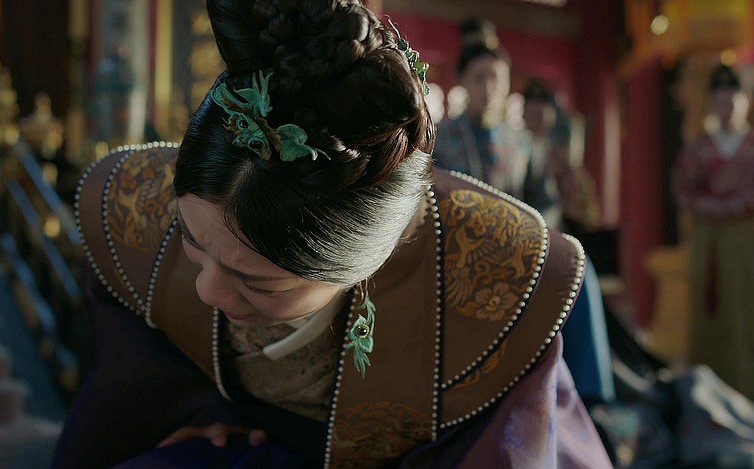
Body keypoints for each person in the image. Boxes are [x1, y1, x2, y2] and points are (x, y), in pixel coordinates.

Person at [52, 1, 612, 467]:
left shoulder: (491, 307)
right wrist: (198, 414)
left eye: (258, 282)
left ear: (364, 265)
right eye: (193, 245)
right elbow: (136, 390)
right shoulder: (139, 218)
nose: (207, 292)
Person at [671, 62, 754, 401]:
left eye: (733, 100)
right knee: (708, 309)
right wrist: (709, 207)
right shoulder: (698, 147)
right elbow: (681, 188)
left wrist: (732, 206)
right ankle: (708, 393)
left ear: (745, 102)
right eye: (720, 100)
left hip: (745, 238)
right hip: (709, 240)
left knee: (746, 307)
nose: (726, 107)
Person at [433, 19, 531, 203]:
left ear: (508, 82)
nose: (488, 88)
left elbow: (541, 204)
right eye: (478, 78)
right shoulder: (439, 138)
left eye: (495, 78)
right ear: (462, 81)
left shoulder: (523, 143)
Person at [521, 78, 600, 232]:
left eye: (540, 113)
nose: (535, 117)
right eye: (530, 112)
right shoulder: (514, 151)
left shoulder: (561, 155)